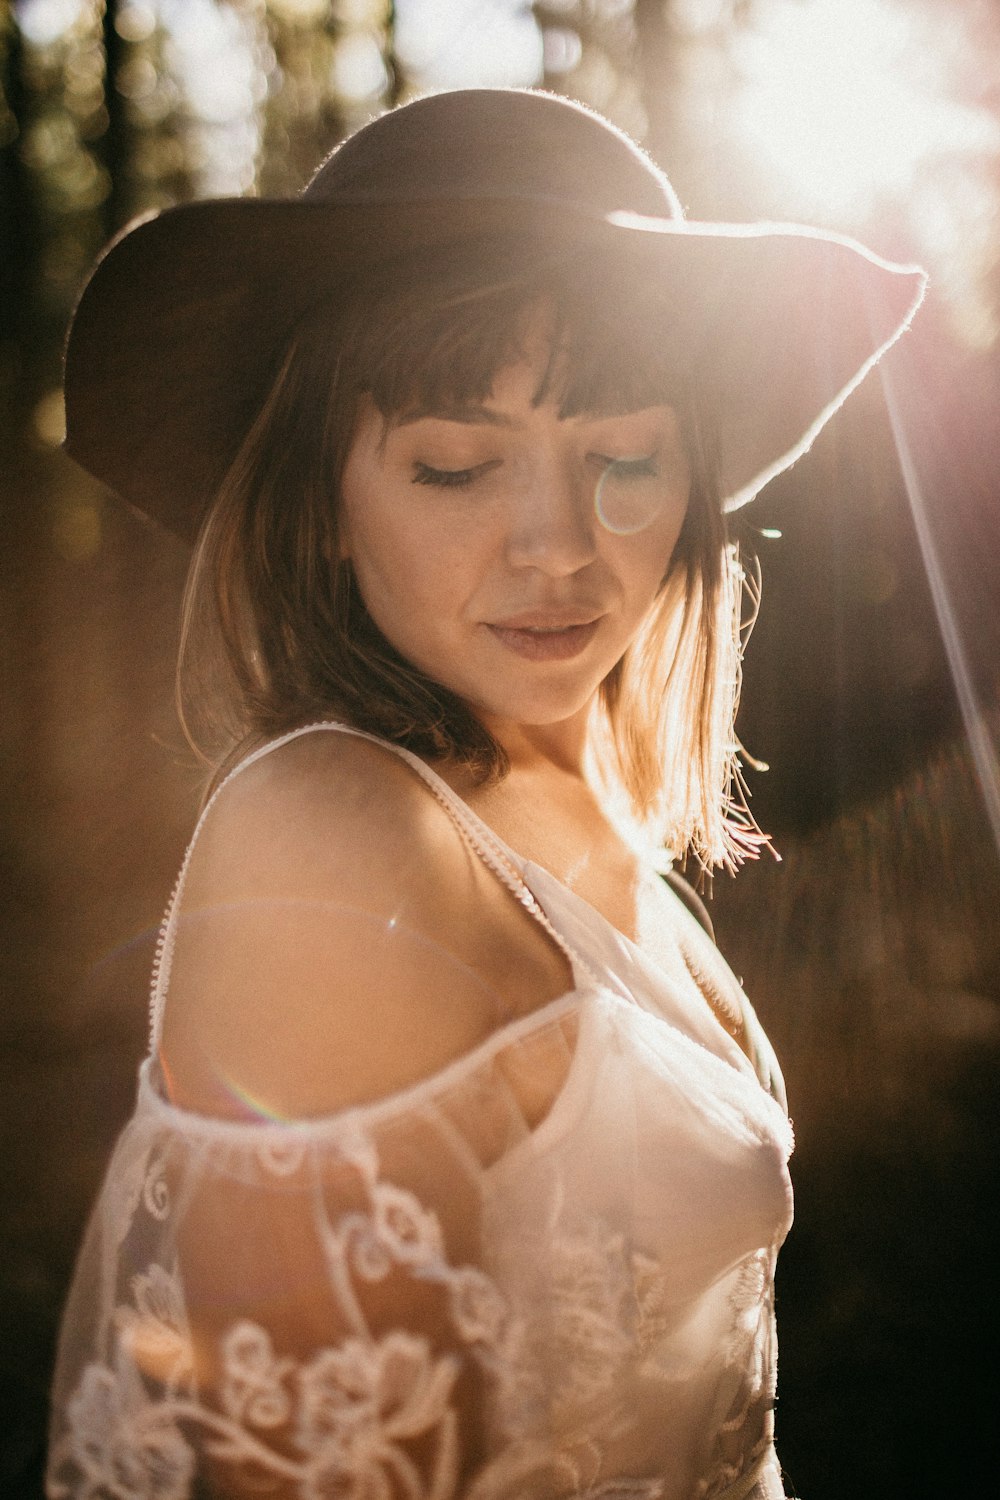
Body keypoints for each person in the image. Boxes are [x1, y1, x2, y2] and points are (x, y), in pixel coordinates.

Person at [46, 88, 924, 1500]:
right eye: (455, 465)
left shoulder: (599, 827)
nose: (559, 547)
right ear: (322, 508)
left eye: (623, 457)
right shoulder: (336, 837)